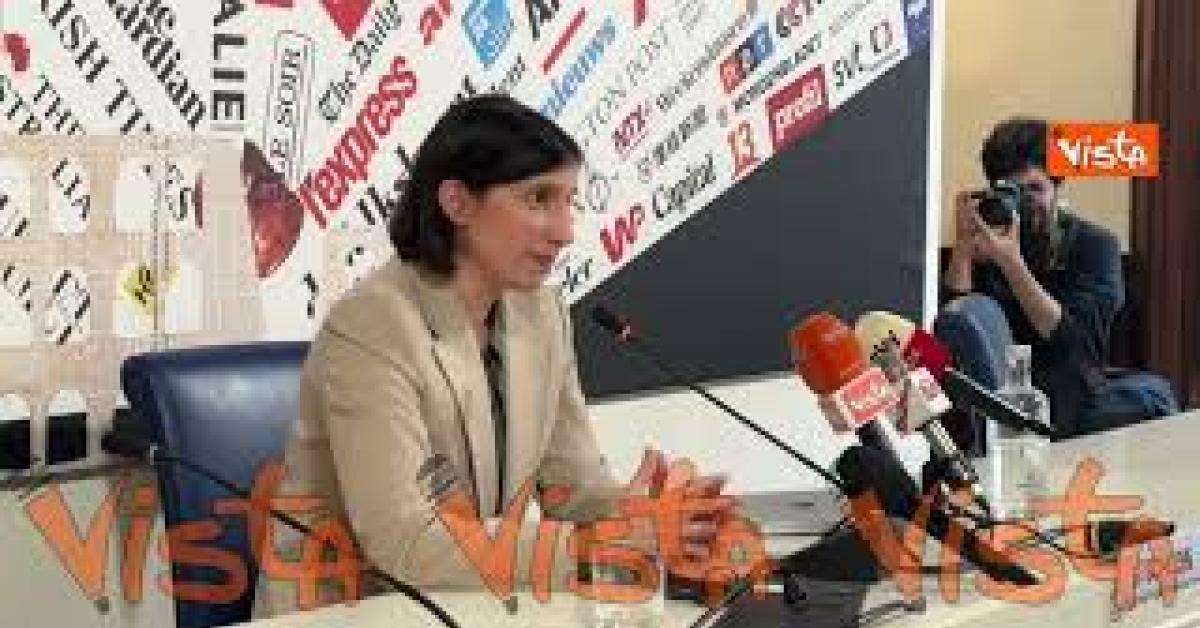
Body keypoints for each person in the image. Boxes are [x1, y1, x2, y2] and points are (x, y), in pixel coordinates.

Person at [263, 95, 732, 611]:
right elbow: (403, 541)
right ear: (457, 203)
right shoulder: (372, 326)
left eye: (569, 202)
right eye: (539, 199)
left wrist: (647, 515)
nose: (565, 232)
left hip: (465, 606)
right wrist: (607, 542)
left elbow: (571, 489)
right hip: (346, 610)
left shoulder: (542, 313)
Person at [937, 116, 1177, 450]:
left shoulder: (1094, 245)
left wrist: (1012, 263)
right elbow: (952, 328)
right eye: (1012, 192)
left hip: (1071, 391)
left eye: (1035, 189)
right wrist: (963, 246)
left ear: (1056, 187)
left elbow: (1075, 342)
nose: (1025, 202)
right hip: (996, 395)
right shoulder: (986, 243)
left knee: (1148, 399)